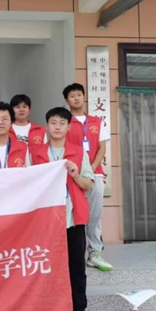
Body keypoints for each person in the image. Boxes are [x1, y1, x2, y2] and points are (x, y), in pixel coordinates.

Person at [31, 107, 97, 311]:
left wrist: (76, 174)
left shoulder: (78, 152)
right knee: (48, 266)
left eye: (61, 123)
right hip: (47, 219)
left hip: (72, 217)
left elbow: (88, 185)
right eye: (53, 122)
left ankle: (79, 310)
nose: (57, 127)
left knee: (76, 265)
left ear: (69, 127)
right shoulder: (36, 153)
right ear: (46, 126)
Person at [63, 83, 113, 272]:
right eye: (72, 96)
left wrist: (89, 170)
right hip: (71, 175)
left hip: (94, 173)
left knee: (94, 215)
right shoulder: (64, 121)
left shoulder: (96, 121)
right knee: (70, 215)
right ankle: (69, 254)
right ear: (66, 100)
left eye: (79, 94)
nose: (76, 98)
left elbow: (102, 148)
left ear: (84, 97)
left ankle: (95, 253)